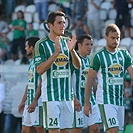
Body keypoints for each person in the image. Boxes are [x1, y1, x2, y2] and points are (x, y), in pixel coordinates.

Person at [34, 10, 81, 133]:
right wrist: (56, 53)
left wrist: (72, 51)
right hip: (51, 96)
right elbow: (39, 70)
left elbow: (77, 66)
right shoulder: (41, 44)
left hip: (67, 97)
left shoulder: (67, 42)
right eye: (59, 23)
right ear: (50, 25)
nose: (63, 26)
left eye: (64, 23)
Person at [84, 23, 133, 133]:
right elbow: (90, 80)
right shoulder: (98, 56)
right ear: (105, 37)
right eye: (112, 38)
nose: (115, 41)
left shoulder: (124, 54)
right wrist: (87, 103)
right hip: (105, 100)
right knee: (113, 130)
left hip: (120, 101)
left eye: (118, 38)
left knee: (115, 130)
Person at [72, 34, 101, 133]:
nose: (90, 47)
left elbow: (93, 81)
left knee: (95, 129)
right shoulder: (73, 60)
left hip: (90, 100)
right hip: (77, 101)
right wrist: (74, 99)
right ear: (79, 45)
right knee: (77, 130)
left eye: (91, 44)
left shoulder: (90, 61)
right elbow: (67, 82)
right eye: (87, 44)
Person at [18, 37, 45, 133]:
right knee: (25, 130)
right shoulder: (31, 63)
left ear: (32, 47)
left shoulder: (40, 63)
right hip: (29, 102)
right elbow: (29, 84)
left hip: (38, 102)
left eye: (26, 46)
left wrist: (35, 101)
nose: (25, 48)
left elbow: (42, 83)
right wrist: (23, 101)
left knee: (39, 129)